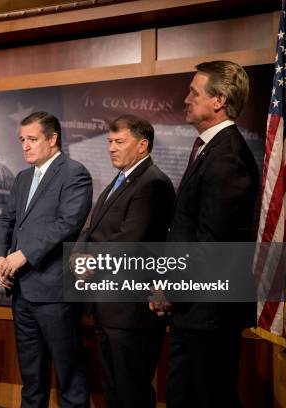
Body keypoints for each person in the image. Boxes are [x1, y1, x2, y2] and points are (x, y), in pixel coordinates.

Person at [159, 61, 259, 408]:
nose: (185, 99)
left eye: (193, 92)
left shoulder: (227, 157)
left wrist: (169, 286)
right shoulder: (211, 148)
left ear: (218, 101)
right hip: (197, 308)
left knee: (208, 397)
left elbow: (210, 244)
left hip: (211, 312)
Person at [0, 111, 93, 407]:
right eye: (22, 139)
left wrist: (24, 254)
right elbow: (6, 221)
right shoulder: (23, 177)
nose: (25, 145)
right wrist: (0, 256)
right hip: (21, 291)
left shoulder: (74, 173)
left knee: (69, 374)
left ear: (52, 139)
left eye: (32, 139)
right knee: (31, 377)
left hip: (54, 291)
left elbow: (67, 224)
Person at [76, 115, 174, 408]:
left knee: (132, 393)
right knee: (114, 390)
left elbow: (129, 241)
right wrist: (78, 258)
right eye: (109, 142)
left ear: (142, 145)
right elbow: (91, 229)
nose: (111, 148)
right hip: (108, 307)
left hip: (131, 311)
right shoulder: (121, 180)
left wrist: (88, 262)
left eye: (120, 142)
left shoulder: (153, 183)